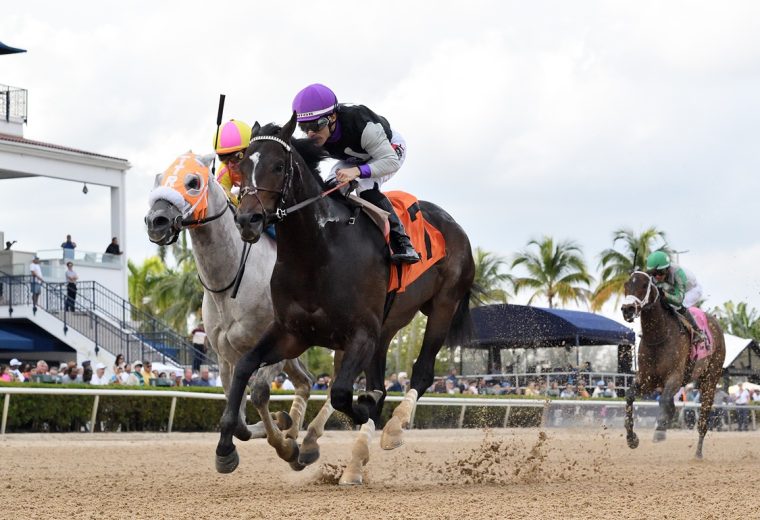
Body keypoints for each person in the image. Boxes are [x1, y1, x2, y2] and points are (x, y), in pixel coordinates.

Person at [292, 83, 420, 264]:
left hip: (388, 151)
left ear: (333, 117)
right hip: (355, 157)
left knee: (364, 186)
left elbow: (390, 161)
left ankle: (403, 242)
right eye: (304, 127)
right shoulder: (317, 134)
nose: (311, 133)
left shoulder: (362, 125)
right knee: (330, 188)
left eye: (316, 125)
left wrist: (358, 171)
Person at [646, 251, 706, 343]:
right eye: (654, 273)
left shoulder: (678, 273)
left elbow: (678, 300)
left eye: (661, 272)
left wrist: (665, 295)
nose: (657, 276)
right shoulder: (655, 277)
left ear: (667, 268)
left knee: (680, 305)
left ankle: (698, 332)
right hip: (673, 289)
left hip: (691, 290)